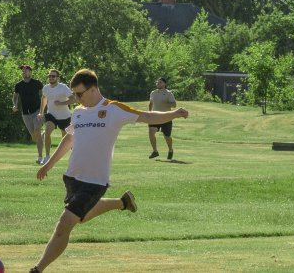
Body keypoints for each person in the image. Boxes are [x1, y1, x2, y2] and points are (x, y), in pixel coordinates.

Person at [29, 69, 188, 273]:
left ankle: (37, 270)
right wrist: (48, 164)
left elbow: (147, 115)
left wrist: (173, 114)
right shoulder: (78, 112)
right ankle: (122, 202)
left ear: (93, 89)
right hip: (72, 178)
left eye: (79, 94)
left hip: (94, 182)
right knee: (82, 217)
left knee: (63, 225)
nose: (75, 98)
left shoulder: (113, 109)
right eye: (74, 94)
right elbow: (69, 139)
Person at [38, 69, 75, 160]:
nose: (51, 78)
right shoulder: (46, 88)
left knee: (67, 138)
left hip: (64, 116)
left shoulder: (63, 87)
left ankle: (74, 155)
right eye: (49, 76)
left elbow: (73, 99)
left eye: (53, 76)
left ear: (57, 78)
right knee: (47, 131)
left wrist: (61, 103)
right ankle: (47, 156)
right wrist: (41, 112)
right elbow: (44, 99)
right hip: (51, 115)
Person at [13, 64, 45, 164]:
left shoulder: (37, 83)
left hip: (37, 112)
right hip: (25, 113)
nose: (24, 72)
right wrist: (14, 105)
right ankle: (42, 135)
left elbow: (43, 96)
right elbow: (15, 96)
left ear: (30, 72)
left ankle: (40, 157)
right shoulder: (18, 85)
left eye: (26, 70)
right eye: (22, 71)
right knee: (34, 136)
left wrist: (42, 110)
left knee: (37, 130)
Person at [148, 77, 177, 159]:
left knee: (167, 137)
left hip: (166, 117)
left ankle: (170, 150)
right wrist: (149, 113)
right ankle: (155, 151)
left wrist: (167, 103)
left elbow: (174, 105)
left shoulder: (169, 93)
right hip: (155, 117)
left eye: (160, 82)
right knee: (151, 132)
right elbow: (150, 103)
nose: (158, 83)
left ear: (165, 84)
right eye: (157, 82)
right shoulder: (153, 93)